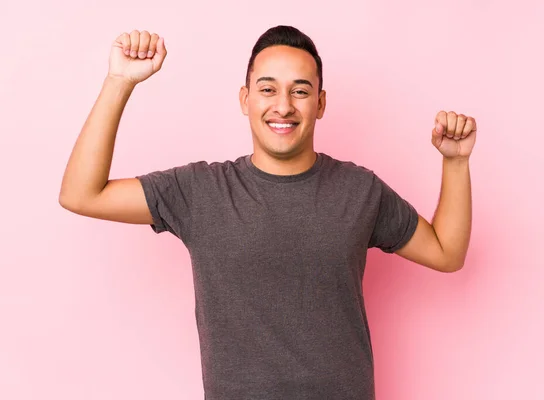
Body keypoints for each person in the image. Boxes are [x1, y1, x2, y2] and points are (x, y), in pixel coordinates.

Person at [59, 25, 476, 400]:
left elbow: (446, 252)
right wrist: (119, 82)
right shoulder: (200, 191)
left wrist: (455, 163)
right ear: (245, 99)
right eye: (267, 88)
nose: (283, 106)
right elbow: (82, 195)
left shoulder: (359, 190)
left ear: (320, 102)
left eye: (299, 90)